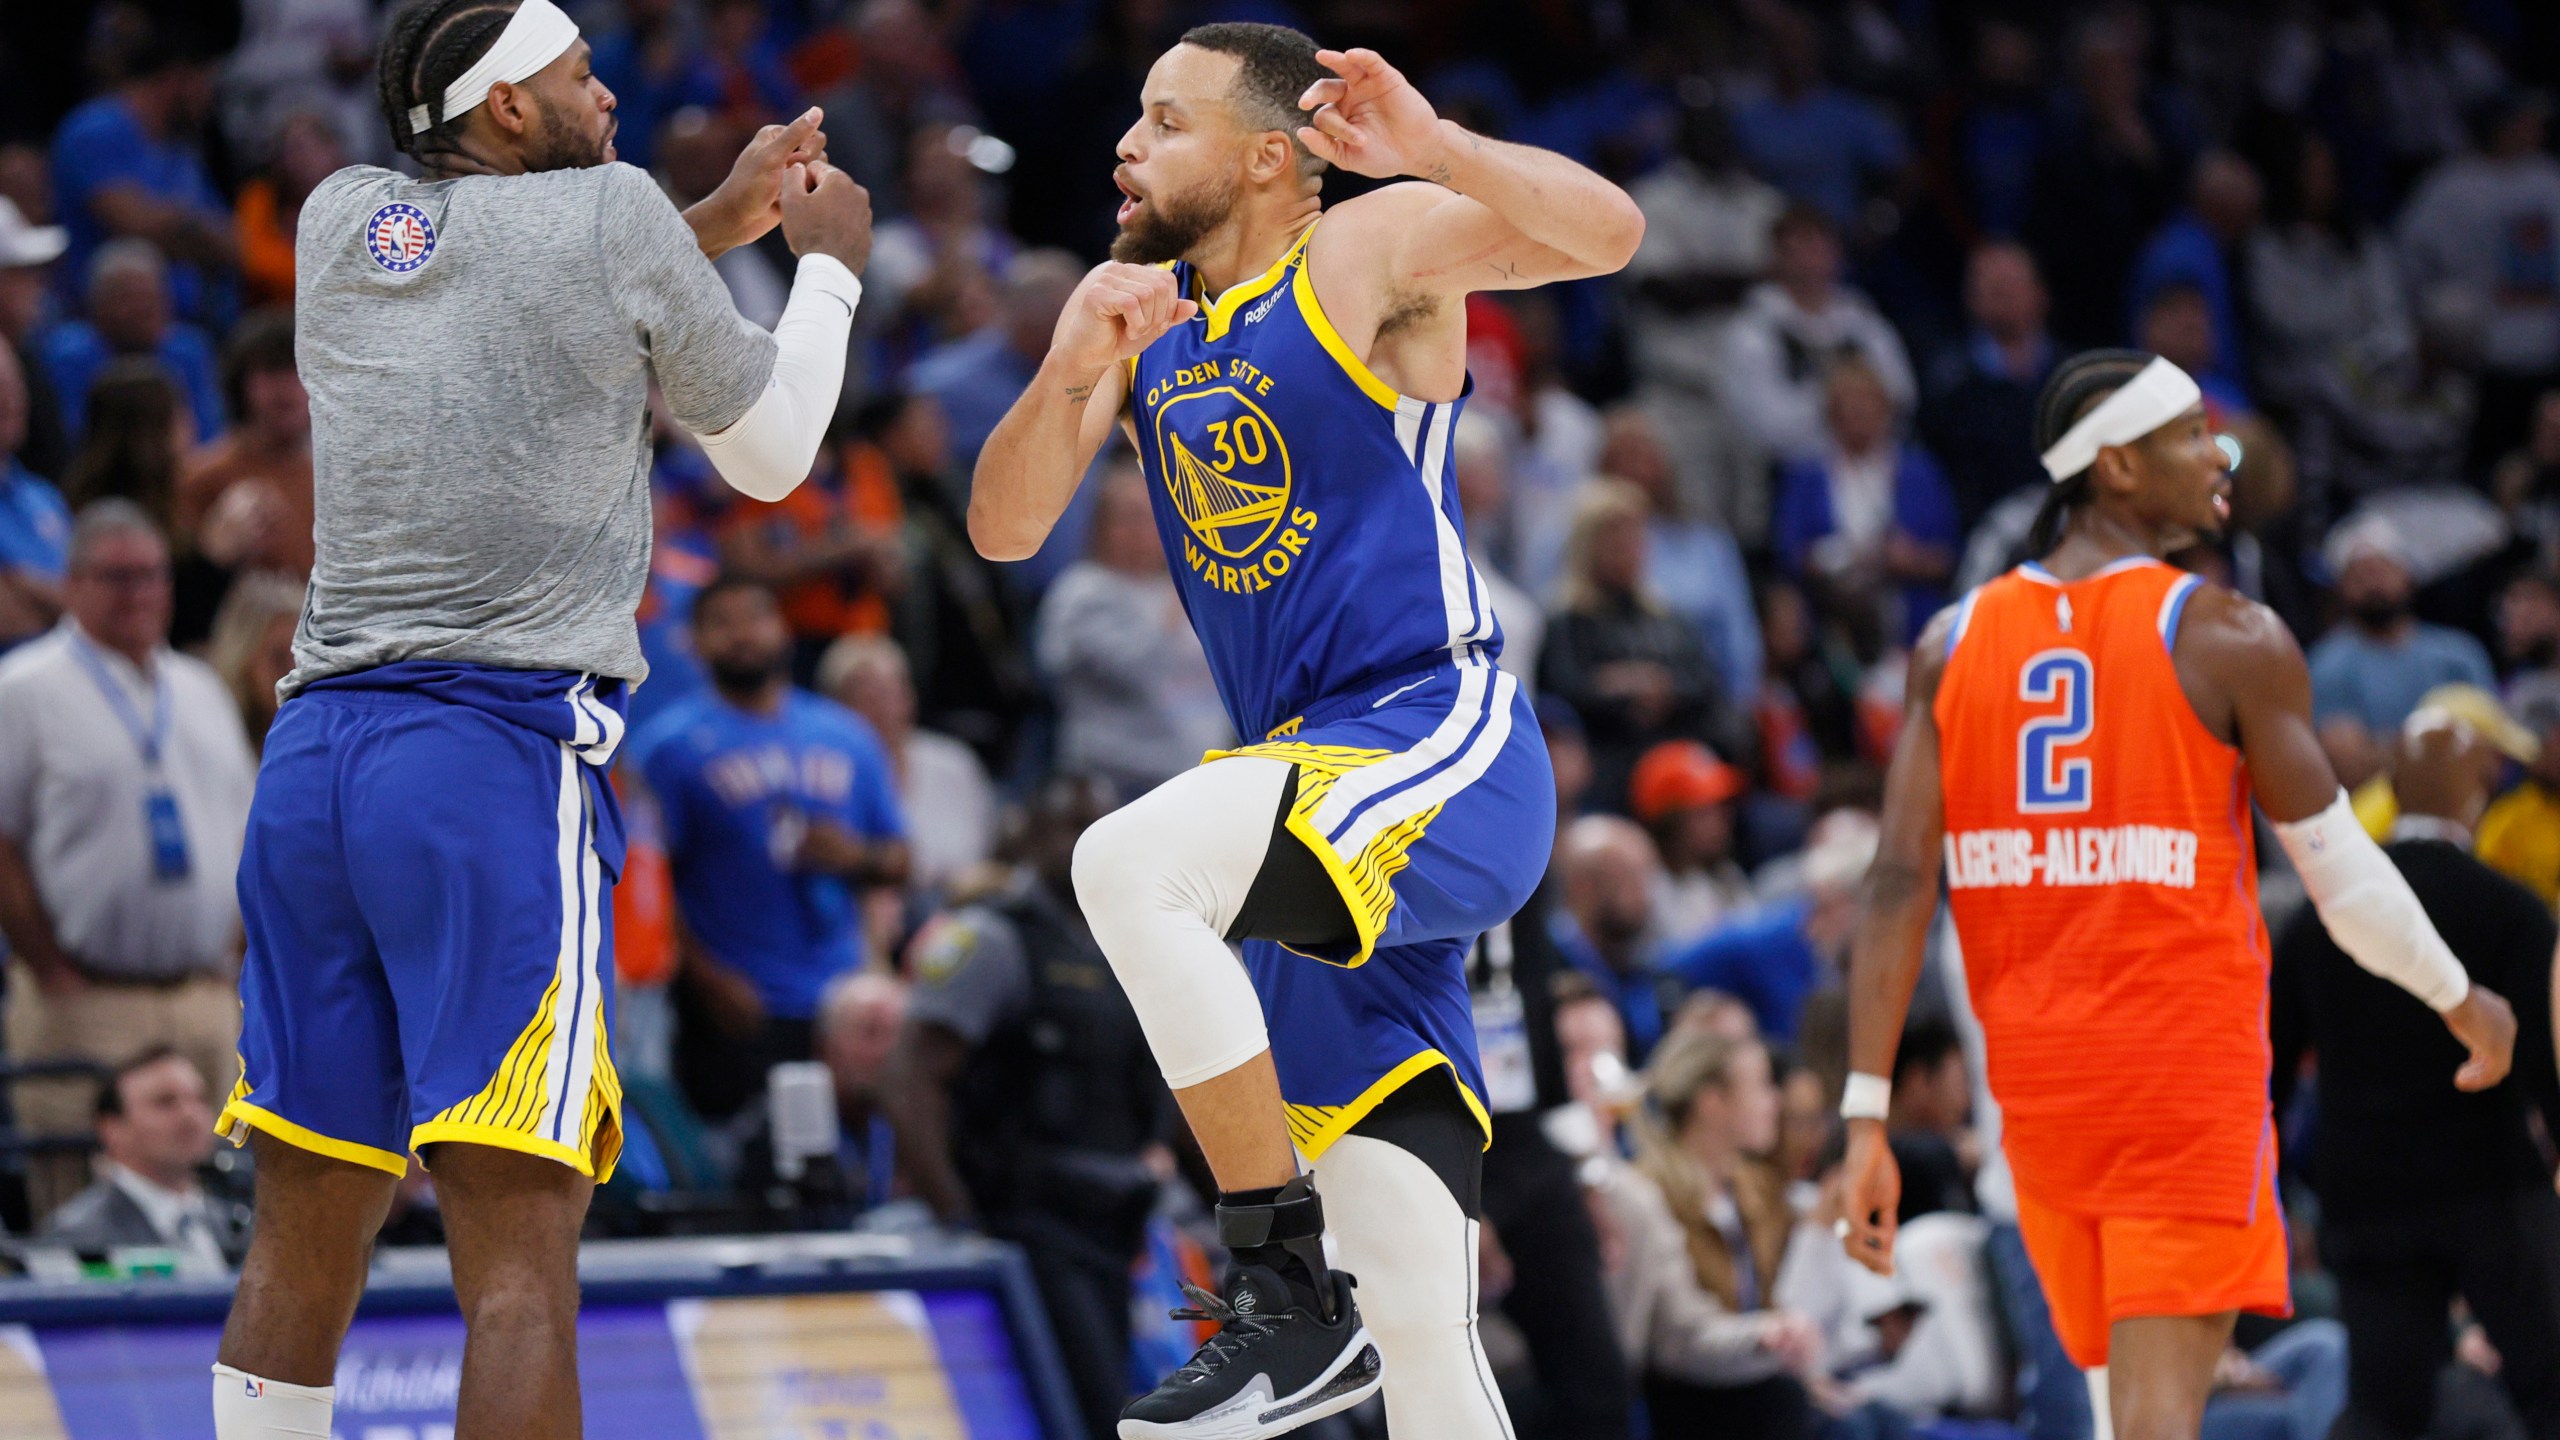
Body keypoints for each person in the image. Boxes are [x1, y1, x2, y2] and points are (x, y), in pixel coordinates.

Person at [969, 22, 1641, 1437]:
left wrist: (1438, 146)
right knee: (1422, 1311)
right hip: (1307, 811)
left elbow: (1610, 233)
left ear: (1270, 156)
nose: (1125, 146)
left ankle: (1278, 1290)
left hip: (1428, 735)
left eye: (1165, 120)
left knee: (1126, 867)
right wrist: (1066, 363)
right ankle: (1332, 1309)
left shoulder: (1361, 252)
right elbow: (1008, 523)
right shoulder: (1147, 319)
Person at [210, 0, 873, 1432]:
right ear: (509, 109)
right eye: (582, 76)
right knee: (520, 1265)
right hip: (488, 756)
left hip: (316, 759)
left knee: (303, 1220)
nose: (610, 94)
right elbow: (770, 456)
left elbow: (538, 276)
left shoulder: (341, 222)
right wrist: (821, 274)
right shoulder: (607, 214)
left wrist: (709, 216)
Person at [1841, 347, 2517, 1440]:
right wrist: (2459, 998)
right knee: (2154, 1427)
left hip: (2039, 1098)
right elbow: (2339, 877)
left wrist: (1863, 1114)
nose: (2225, 455)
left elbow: (1895, 886)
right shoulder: (2225, 636)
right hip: (2176, 1084)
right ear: (2114, 466)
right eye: (2194, 435)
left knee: (2122, 1418)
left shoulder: (1949, 641)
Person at [2270, 713, 2560, 1440]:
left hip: (2366, 1197)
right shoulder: (2514, 912)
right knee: (2552, 1386)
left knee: (2382, 1408)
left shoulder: (2317, 921)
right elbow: (2546, 1067)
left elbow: (2265, 1074)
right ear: (2482, 794)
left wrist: (2268, 1200)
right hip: (2492, 1189)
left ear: (2391, 790)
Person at [886, 774, 1177, 1440]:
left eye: (1100, 829)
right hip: (1029, 1226)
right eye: (1068, 826)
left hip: (1116, 1226)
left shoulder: (1125, 940)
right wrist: (957, 1217)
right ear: (1032, 835)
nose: (1084, 844)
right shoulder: (992, 939)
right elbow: (908, 1079)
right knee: (1091, 1416)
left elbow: (1171, 1097)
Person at [0, 501, 257, 1221]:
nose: (138, 594)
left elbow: (246, 834)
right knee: (84, 1214)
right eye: (116, 577)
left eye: (151, 576)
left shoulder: (200, 689)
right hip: (84, 998)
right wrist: (50, 967)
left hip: (200, 994)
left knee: (222, 1202)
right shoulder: (26, 688)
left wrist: (232, 955)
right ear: (74, 583)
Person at [629, 577, 911, 1122]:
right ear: (693, 640)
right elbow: (649, 886)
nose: (742, 635)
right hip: (735, 1001)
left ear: (782, 627)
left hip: (838, 998)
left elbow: (901, 859)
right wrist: (708, 982)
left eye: (755, 617)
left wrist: (852, 857)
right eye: (721, 622)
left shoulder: (846, 735)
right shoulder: (667, 748)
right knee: (740, 1167)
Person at [1595, 1026, 1825, 1438]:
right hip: (1685, 1393)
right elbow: (1676, 1339)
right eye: (1762, 1086)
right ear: (1712, 1103)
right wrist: (1767, 1338)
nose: (1776, 1101)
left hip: (1744, 1371)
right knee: (1784, 1404)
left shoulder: (1756, 1189)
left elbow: (1788, 1299)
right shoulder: (1648, 1195)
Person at [1036, 461, 1232, 796]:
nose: (1141, 529)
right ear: (1101, 525)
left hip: (1206, 778)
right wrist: (1187, 583)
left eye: (1150, 514)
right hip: (1117, 783)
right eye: (1128, 516)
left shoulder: (1195, 589)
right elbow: (1142, 668)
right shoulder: (1082, 592)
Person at [46, 19, 237, 328]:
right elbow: (134, 224)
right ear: (178, 78)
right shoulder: (96, 129)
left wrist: (180, 227)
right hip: (104, 327)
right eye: (205, 82)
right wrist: (192, 231)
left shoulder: (180, 149)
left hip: (189, 324)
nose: (209, 98)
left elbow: (234, 242)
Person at [1772, 355, 1961, 649]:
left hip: (1909, 613)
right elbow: (1789, 553)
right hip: (1832, 616)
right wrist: (1838, 559)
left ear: (1886, 409)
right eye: (1849, 405)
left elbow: (1947, 557)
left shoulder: (1919, 473)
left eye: (1867, 403)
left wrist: (1908, 559)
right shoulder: (1806, 476)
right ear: (1832, 414)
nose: (1859, 413)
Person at [1718, 205, 1916, 468]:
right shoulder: (1754, 331)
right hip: (1789, 471)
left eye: (1819, 247)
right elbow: (1765, 425)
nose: (1810, 259)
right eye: (1798, 249)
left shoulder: (1863, 322)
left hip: (1869, 463)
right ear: (1777, 257)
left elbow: (1901, 395)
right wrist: (1838, 403)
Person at [39, 1046, 246, 1274]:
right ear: (112, 1129)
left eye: (199, 1099)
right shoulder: (79, 1237)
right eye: (165, 1102)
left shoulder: (240, 1224)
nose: (190, 1115)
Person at [818, 634, 997, 896]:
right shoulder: (824, 776)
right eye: (864, 695)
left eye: (890, 692)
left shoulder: (954, 763)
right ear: (834, 708)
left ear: (909, 698)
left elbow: (983, 857)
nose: (881, 707)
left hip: (962, 910)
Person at [2308, 525, 2496, 750]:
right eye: (2359, 576)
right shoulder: (2326, 664)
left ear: (2407, 576)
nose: (2373, 585)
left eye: (2381, 571)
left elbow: (2491, 730)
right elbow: (2342, 748)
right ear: (2341, 588)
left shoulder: (2458, 653)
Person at [37, 239, 226, 441]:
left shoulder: (189, 351)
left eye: (151, 296)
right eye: (128, 297)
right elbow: (68, 439)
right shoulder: (67, 355)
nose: (143, 308)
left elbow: (209, 435)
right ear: (97, 306)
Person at [1631, 738, 1750, 949]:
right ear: (1668, 823)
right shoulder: (1644, 892)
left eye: (1720, 808)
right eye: (1703, 813)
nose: (1721, 821)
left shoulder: (1727, 875)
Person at [0, 344, 70, 652]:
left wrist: (25, 585)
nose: (8, 400)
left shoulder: (43, 497)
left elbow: (90, 607)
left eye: (15, 385)